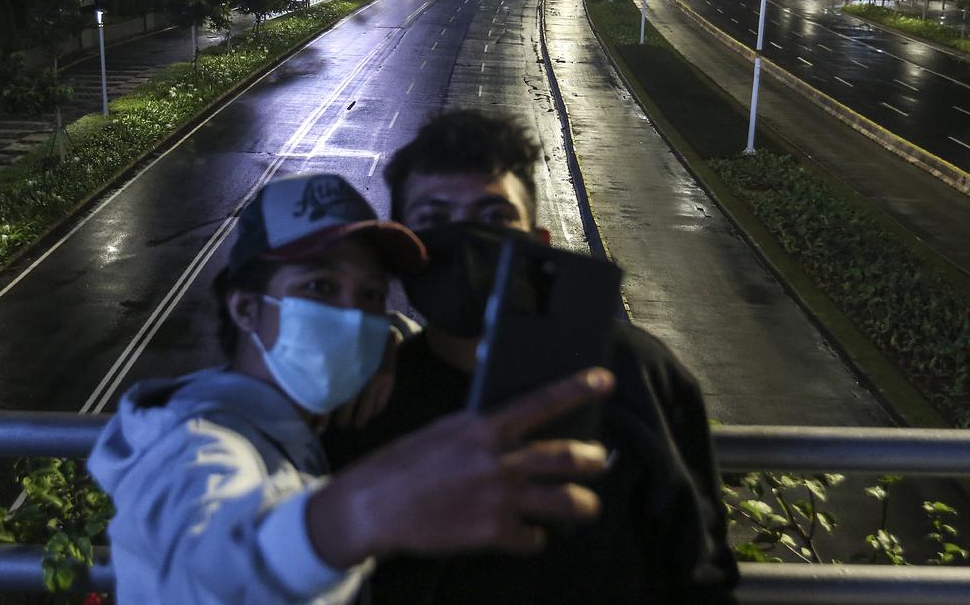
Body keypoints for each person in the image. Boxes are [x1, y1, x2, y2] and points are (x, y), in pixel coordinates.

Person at [88, 173, 616, 604]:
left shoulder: (298, 419)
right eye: (318, 287)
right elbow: (207, 572)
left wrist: (389, 341)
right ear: (246, 307)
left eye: (369, 295)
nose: (351, 317)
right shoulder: (190, 446)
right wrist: (361, 512)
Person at [322, 111, 739, 604]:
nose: (466, 244)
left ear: (539, 244)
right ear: (405, 255)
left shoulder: (637, 372)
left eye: (495, 217)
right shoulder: (365, 399)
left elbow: (699, 570)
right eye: (433, 220)